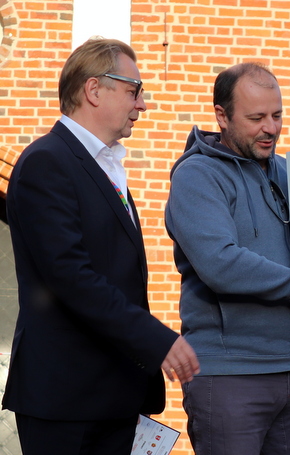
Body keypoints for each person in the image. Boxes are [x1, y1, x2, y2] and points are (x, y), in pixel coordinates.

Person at [1, 37, 200, 455]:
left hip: (113, 395)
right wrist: (157, 339)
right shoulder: (47, 162)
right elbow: (71, 277)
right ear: (94, 90)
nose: (142, 103)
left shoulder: (105, 164)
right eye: (134, 90)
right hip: (65, 398)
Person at [165, 62, 290, 455]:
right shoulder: (197, 176)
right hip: (230, 375)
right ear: (222, 115)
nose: (270, 127)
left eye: (277, 115)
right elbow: (221, 262)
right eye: (256, 118)